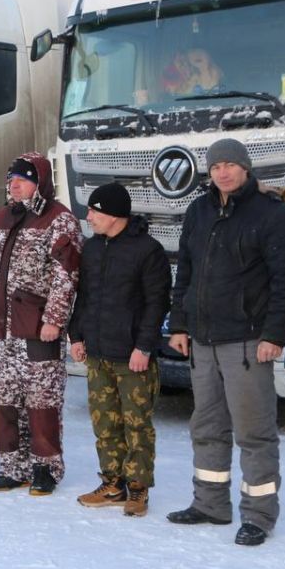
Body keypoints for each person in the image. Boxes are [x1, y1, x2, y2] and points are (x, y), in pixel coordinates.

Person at [166, 138, 285, 546]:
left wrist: (274, 335)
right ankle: (210, 504)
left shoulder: (271, 214)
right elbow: (185, 272)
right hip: (202, 340)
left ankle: (258, 515)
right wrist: (179, 325)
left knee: (254, 431)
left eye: (230, 164)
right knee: (206, 426)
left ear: (245, 167)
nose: (222, 172)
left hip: (247, 341)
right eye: (216, 166)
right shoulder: (199, 210)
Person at [0, 152, 82, 496]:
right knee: (6, 400)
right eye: (11, 180)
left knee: (42, 402)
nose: (15, 185)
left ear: (40, 181)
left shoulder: (58, 219)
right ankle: (12, 467)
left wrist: (55, 320)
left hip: (38, 327)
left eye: (23, 179)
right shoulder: (0, 219)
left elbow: (67, 275)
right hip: (4, 328)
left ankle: (45, 468)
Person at [69, 183, 171, 517]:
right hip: (99, 352)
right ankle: (113, 482)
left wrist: (144, 347)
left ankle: (138, 488)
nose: (89, 217)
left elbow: (157, 304)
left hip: (132, 356)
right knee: (105, 423)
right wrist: (77, 336)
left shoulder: (147, 250)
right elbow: (84, 298)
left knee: (136, 423)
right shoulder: (93, 249)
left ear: (113, 214)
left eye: (95, 211)